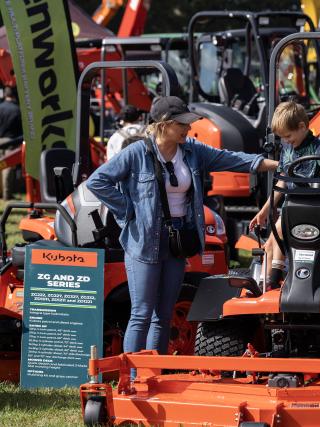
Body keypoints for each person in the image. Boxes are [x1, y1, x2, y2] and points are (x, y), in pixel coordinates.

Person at [87, 96, 278, 356]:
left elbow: (231, 159)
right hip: (144, 241)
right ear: (164, 125)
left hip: (178, 240)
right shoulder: (136, 153)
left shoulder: (192, 151)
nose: (188, 129)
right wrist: (128, 211)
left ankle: (157, 374)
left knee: (164, 314)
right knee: (142, 313)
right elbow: (98, 181)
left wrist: (273, 165)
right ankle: (131, 378)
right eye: (182, 124)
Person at [249, 101, 320, 287]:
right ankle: (262, 285)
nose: (286, 140)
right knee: (269, 243)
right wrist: (265, 210)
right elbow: (282, 182)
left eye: (288, 136)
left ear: (302, 127)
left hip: (314, 207)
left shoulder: (318, 148)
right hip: (291, 206)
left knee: (280, 229)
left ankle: (273, 278)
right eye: (282, 137)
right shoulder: (287, 150)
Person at [0, 87, 23, 200]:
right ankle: (6, 194)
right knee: (6, 168)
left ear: (5, 95)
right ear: (13, 96)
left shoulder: (0, 107)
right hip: (11, 141)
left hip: (0, 140)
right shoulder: (17, 109)